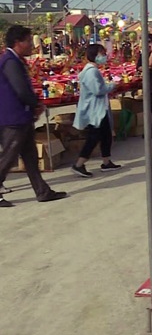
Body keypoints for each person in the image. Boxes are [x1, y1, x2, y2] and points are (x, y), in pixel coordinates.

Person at [0, 25, 68, 206]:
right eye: (28, 41)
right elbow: (20, 89)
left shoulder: (15, 60)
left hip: (21, 117)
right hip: (13, 118)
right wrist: (35, 104)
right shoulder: (10, 62)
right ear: (17, 43)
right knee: (8, 157)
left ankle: (42, 191)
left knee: (30, 157)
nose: (32, 45)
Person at [71, 44, 122, 177]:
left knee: (106, 135)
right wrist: (112, 86)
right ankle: (79, 164)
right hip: (94, 110)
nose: (104, 56)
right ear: (94, 55)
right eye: (102, 54)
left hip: (100, 109)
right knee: (93, 137)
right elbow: (98, 90)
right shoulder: (91, 72)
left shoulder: (93, 70)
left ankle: (106, 162)